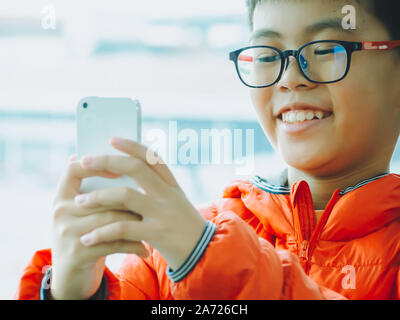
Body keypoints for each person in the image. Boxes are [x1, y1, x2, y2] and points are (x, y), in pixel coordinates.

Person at [15, 0, 399, 300]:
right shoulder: (168, 250)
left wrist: (207, 258)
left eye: (326, 49)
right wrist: (70, 291)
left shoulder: (191, 244)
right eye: (268, 55)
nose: (289, 78)